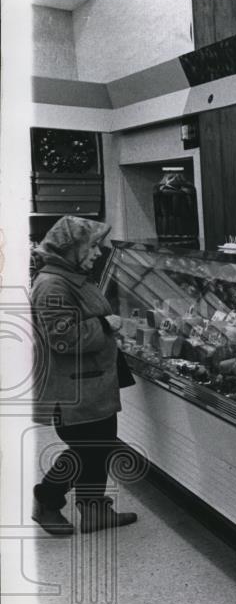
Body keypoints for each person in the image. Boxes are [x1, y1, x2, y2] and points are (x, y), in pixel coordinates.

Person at [30, 216, 138, 535]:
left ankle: (94, 511)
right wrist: (106, 324)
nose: (97, 253)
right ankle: (47, 500)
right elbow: (63, 339)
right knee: (85, 450)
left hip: (90, 384)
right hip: (74, 389)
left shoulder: (71, 275)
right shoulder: (52, 285)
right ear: (71, 248)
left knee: (98, 448)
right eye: (92, 247)